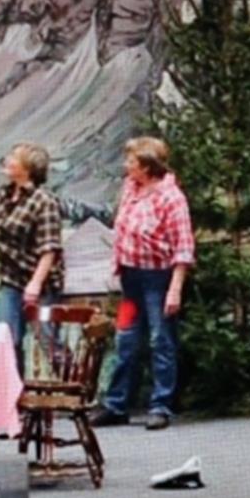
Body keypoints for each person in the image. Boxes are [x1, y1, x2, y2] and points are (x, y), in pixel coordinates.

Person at [92, 136, 195, 431]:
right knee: (126, 339)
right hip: (130, 279)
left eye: (132, 162)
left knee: (160, 339)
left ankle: (161, 404)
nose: (127, 166)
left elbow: (183, 247)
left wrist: (175, 288)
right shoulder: (131, 189)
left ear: (148, 167)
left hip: (157, 278)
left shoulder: (171, 198)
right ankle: (117, 403)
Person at [0, 143, 65, 370]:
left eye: (14, 158)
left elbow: (49, 248)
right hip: (11, 279)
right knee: (10, 340)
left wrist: (36, 284)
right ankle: (16, 396)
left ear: (27, 168)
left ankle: (74, 387)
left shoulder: (43, 201)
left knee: (48, 340)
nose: (7, 161)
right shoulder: (5, 195)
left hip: (39, 281)